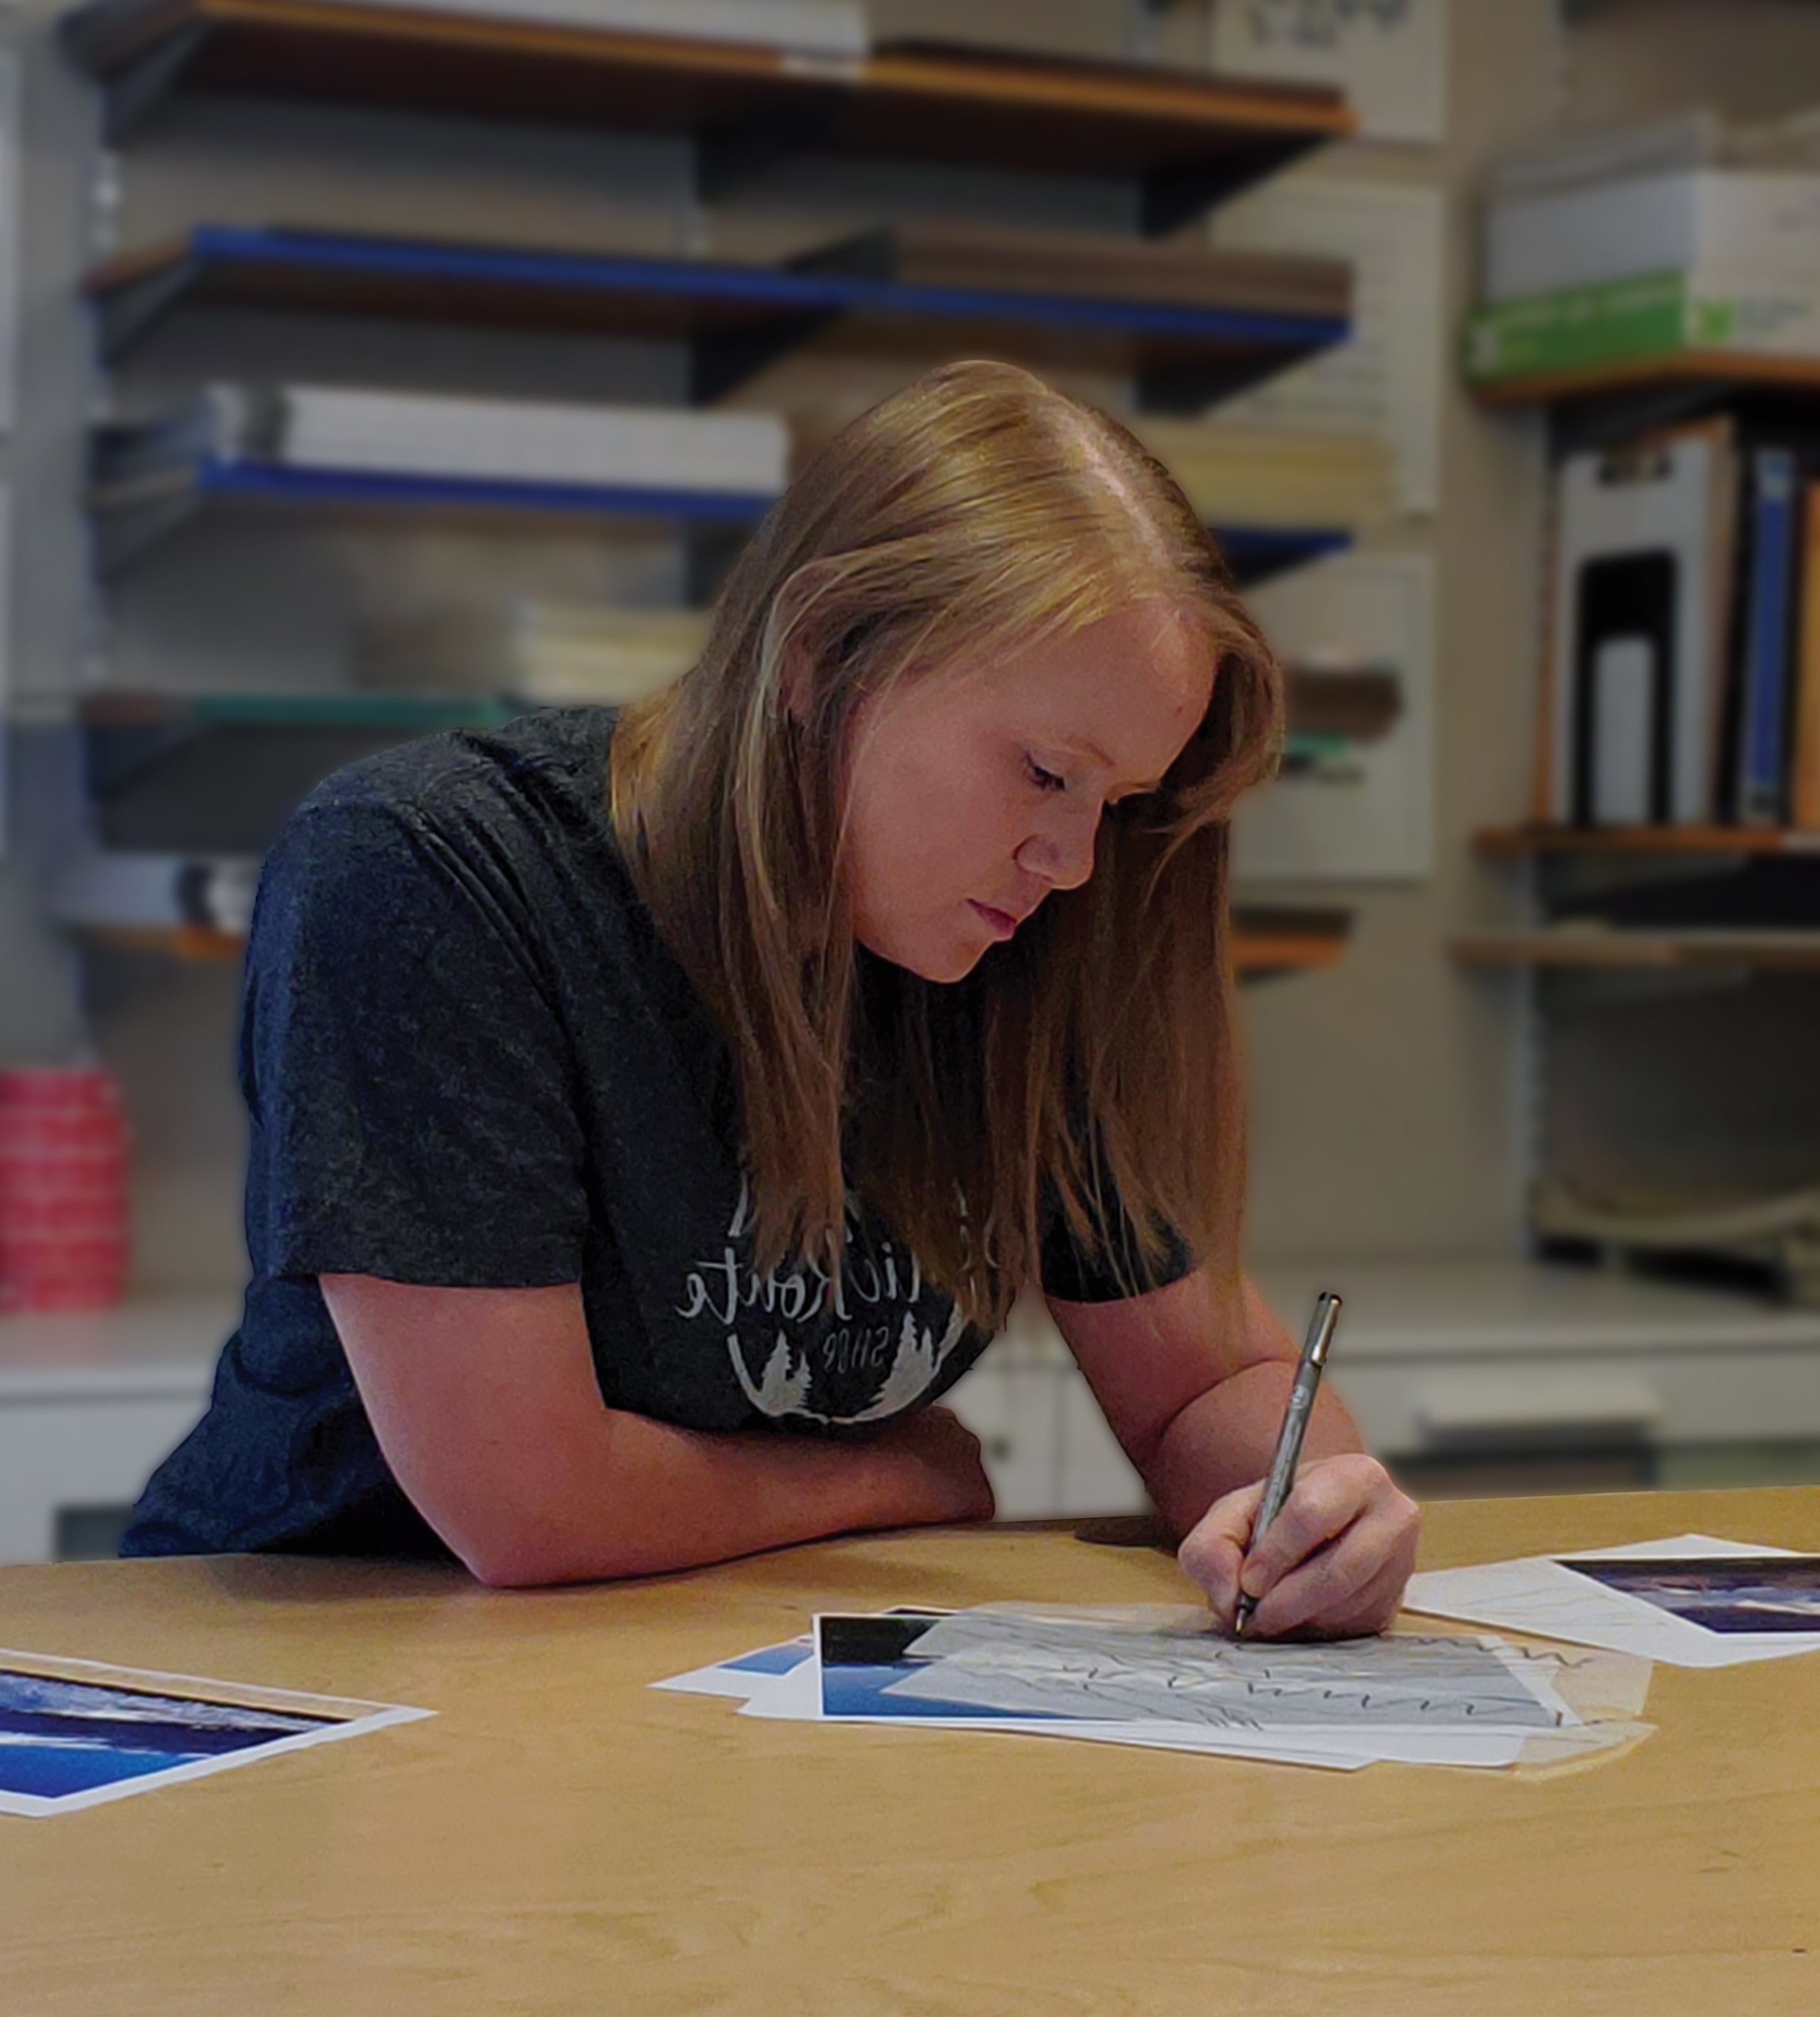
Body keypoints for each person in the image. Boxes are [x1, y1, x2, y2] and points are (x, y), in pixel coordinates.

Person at [122, 359, 1420, 1638]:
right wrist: (893, 1475)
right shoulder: (432, 871)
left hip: (731, 1678)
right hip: (333, 1667)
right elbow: (526, 1508)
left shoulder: (1019, 948)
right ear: (815, 659)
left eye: (1115, 804)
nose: (1072, 862)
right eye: (1040, 771)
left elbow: (1205, 1382)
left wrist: (1305, 1506)